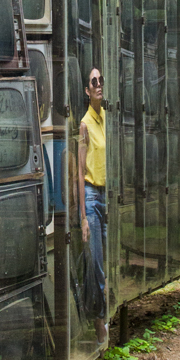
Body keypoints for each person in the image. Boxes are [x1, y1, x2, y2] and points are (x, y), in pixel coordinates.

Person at [78, 66, 108, 344]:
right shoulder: (84, 124)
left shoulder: (107, 119)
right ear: (87, 91)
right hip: (91, 196)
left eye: (100, 80)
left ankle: (103, 317)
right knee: (96, 263)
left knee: (106, 260)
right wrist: (83, 217)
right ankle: (99, 326)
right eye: (93, 82)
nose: (99, 84)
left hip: (108, 195)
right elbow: (78, 171)